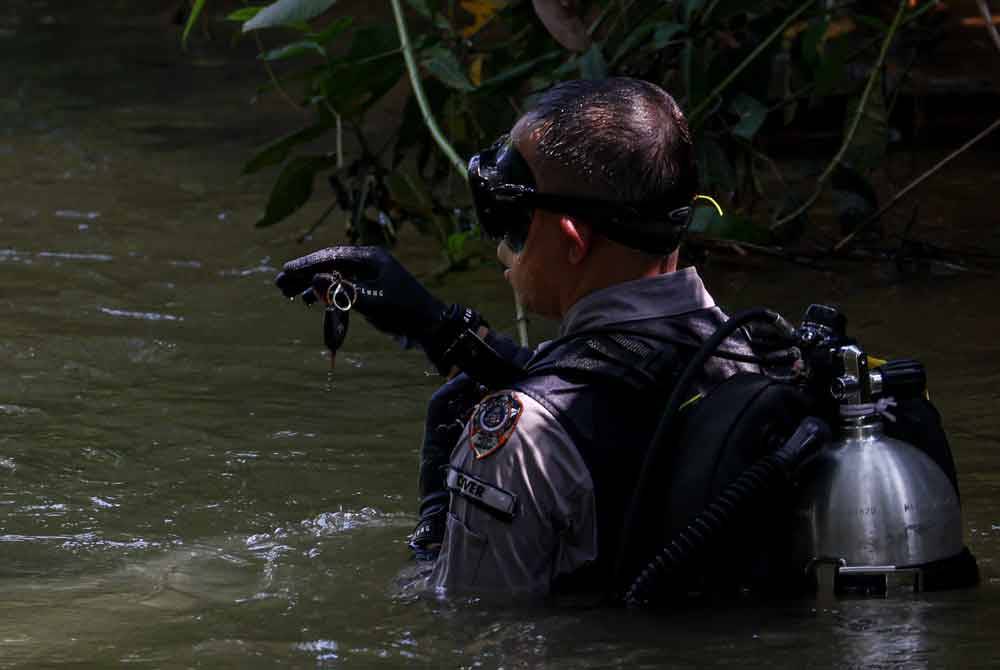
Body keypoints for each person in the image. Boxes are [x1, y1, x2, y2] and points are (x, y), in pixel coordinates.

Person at [275, 77, 755, 599]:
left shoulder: (518, 440)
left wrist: (434, 531)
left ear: (573, 238)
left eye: (513, 222)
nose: (503, 249)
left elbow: (464, 633)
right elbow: (619, 405)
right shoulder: (755, 358)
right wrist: (440, 329)